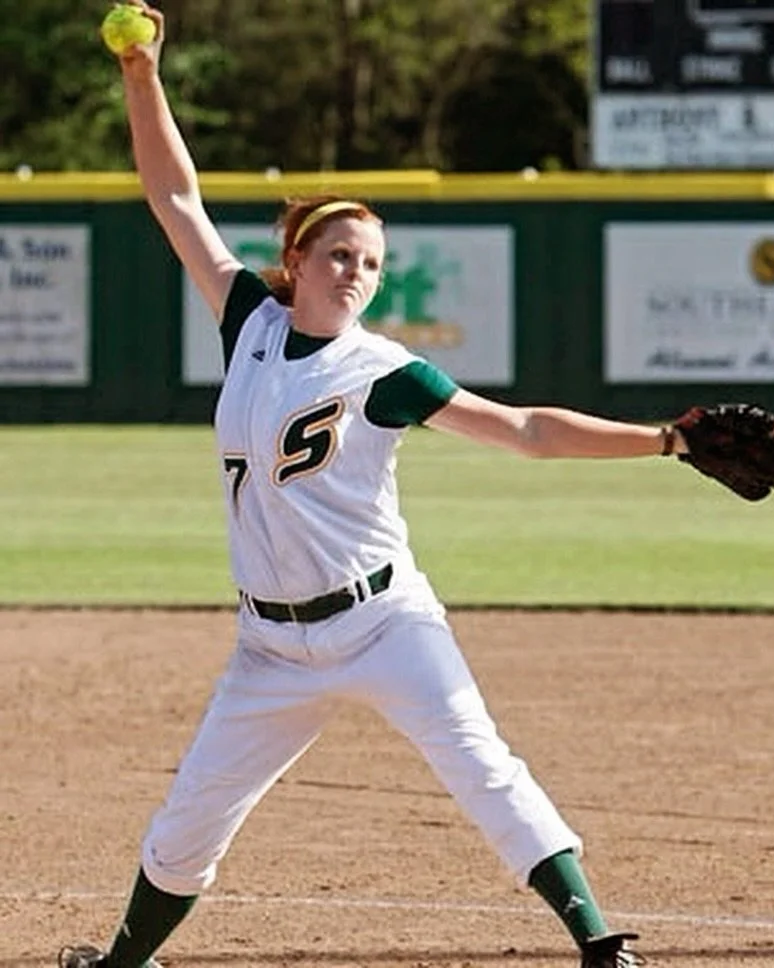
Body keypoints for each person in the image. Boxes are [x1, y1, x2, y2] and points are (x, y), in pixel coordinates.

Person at [57, 5, 692, 967]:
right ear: (298, 261)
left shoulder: (383, 369)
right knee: (191, 816)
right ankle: (121, 962)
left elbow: (521, 430)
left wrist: (665, 442)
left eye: (372, 263)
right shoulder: (250, 322)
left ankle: (598, 940)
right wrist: (142, 72)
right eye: (341, 255)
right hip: (268, 644)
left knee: (481, 765)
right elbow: (175, 200)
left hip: (385, 622)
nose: (358, 272)